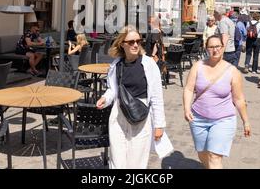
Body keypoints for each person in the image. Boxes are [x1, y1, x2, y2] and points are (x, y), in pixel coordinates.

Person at [96, 25, 166, 169]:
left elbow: (157, 97)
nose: (135, 44)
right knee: (117, 160)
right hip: (119, 115)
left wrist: (159, 125)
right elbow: (113, 89)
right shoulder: (116, 65)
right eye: (131, 42)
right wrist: (105, 98)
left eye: (138, 41)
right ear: (122, 44)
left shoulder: (148, 64)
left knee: (137, 162)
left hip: (141, 116)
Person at [183, 34, 251, 169]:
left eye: (218, 46)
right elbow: (189, 89)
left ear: (223, 47)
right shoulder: (198, 66)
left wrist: (246, 121)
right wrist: (186, 108)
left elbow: (238, 98)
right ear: (206, 48)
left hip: (223, 120)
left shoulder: (232, 71)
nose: (215, 50)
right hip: (198, 118)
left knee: (214, 157)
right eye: (211, 47)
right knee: (203, 154)